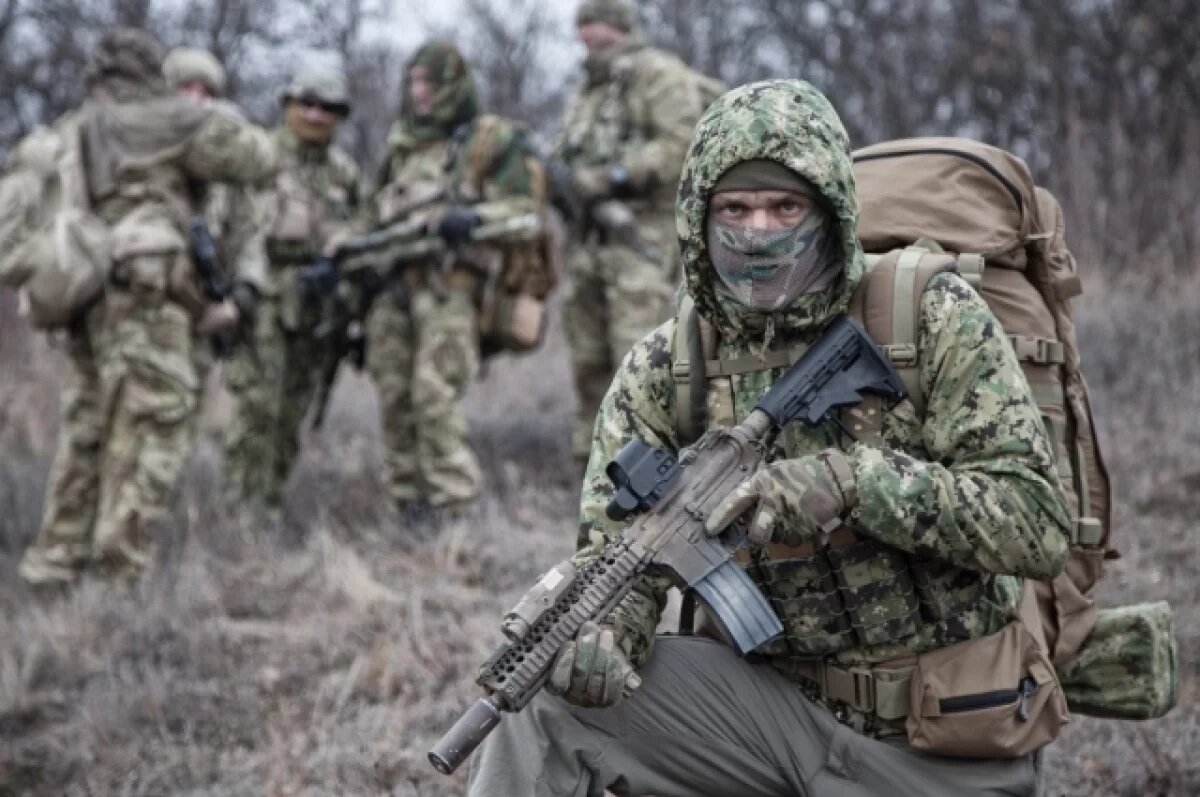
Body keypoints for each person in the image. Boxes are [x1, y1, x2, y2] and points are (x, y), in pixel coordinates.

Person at [467, 80, 1072, 796]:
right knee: (545, 705)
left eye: (786, 206)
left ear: (830, 211)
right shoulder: (666, 368)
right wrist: (605, 636)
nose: (759, 231)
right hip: (765, 717)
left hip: (940, 738)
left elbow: (1037, 524)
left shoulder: (930, 318)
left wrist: (851, 485)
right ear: (699, 219)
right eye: (735, 208)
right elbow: (619, 560)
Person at [17, 28, 276, 586]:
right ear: (155, 76)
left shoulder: (76, 125)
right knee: (155, 423)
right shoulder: (168, 119)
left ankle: (55, 562)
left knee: (87, 428)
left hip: (89, 294)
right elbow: (258, 156)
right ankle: (118, 571)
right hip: (146, 298)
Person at [364, 41, 545, 514]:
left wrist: (471, 220)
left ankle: (456, 508)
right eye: (414, 81)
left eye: (430, 81)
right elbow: (370, 215)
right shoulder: (402, 146)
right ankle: (409, 505)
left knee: (434, 394)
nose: (419, 92)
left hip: (452, 289)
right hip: (394, 289)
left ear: (452, 84)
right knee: (394, 395)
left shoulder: (486, 141)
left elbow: (525, 213)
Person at [556, 0, 708, 467]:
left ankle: (651, 469)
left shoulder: (658, 74)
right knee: (588, 364)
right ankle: (592, 467)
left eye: (597, 23)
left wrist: (612, 177)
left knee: (639, 362)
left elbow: (680, 143)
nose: (588, 34)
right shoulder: (587, 90)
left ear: (620, 27)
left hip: (641, 241)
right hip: (587, 244)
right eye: (583, 24)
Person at [221, 64, 360, 515]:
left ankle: (269, 506)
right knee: (257, 408)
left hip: (318, 307)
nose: (317, 116)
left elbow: (358, 228)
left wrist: (338, 260)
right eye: (308, 104)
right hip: (265, 300)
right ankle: (237, 512)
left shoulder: (343, 172)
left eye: (328, 108)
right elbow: (240, 228)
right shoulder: (260, 156)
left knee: (292, 413)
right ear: (289, 106)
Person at [162, 47, 268, 418]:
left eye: (204, 91)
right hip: (152, 311)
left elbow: (248, 234)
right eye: (185, 87)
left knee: (183, 424)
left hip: (204, 314)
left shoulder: (228, 169)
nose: (195, 99)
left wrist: (240, 297)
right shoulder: (149, 156)